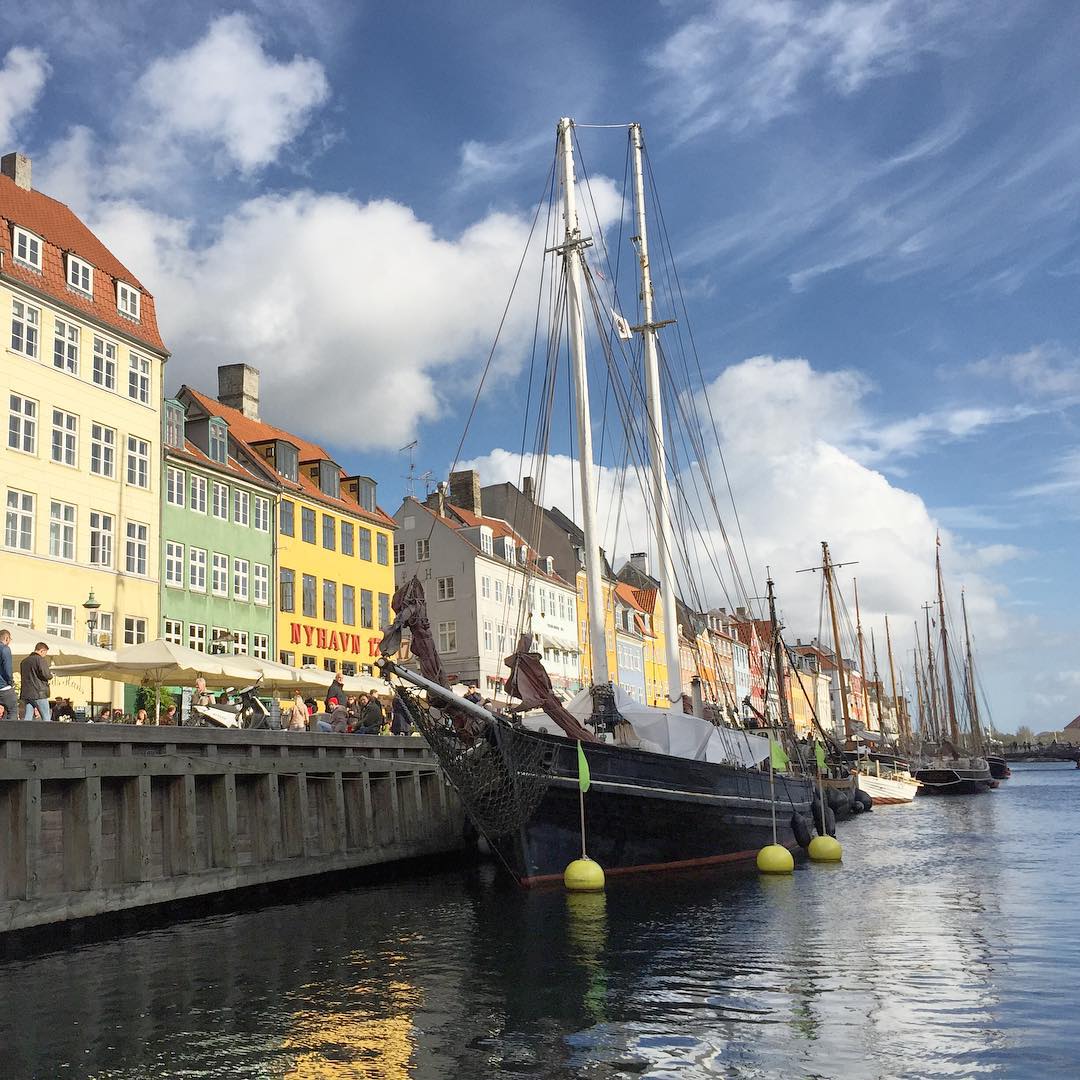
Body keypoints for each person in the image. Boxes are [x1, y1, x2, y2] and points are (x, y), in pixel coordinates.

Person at [19, 642, 52, 721]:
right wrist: (51, 675)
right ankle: (47, 733)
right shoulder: (40, 660)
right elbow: (46, 674)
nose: (45, 655)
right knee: (46, 717)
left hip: (27, 693)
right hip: (39, 693)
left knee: (28, 717)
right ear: (42, 650)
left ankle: (25, 732)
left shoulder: (24, 661)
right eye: (45, 653)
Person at [0, 629, 17, 719]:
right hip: (4, 687)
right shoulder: (5, 649)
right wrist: (11, 682)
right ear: (6, 638)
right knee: (12, 710)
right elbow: (8, 669)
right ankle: (11, 733)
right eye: (10, 639)